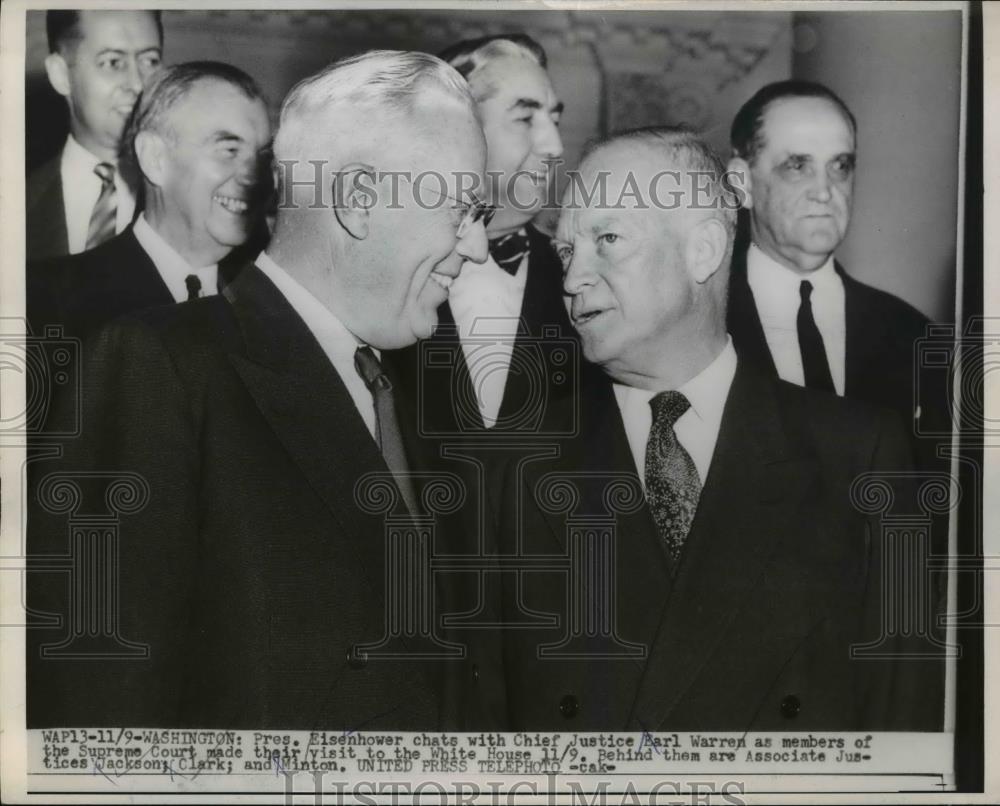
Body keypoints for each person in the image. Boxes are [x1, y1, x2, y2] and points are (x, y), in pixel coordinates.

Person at [27, 50, 492, 730]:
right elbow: (102, 696)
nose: (475, 246)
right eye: (462, 209)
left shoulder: (418, 384)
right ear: (359, 200)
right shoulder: (161, 367)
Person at [496, 127, 943, 731]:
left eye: (607, 240)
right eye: (568, 252)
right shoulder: (514, 464)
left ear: (703, 250)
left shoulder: (860, 453)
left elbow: (901, 717)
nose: (574, 279)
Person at [725, 80, 947, 447]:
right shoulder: (696, 325)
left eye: (840, 166)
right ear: (741, 182)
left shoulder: (914, 336)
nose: (825, 191)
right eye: (797, 166)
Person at [392, 33, 572, 435]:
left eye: (555, 120)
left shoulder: (581, 281)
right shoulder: (386, 274)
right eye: (526, 118)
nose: (554, 145)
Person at [28, 61, 272, 343]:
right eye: (229, 150)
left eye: (264, 156)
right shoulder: (50, 302)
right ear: (154, 158)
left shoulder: (263, 308)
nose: (254, 177)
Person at [27, 10, 163, 261]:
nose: (138, 84)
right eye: (113, 63)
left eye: (150, 61)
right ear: (61, 74)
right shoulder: (17, 204)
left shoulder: (187, 200)